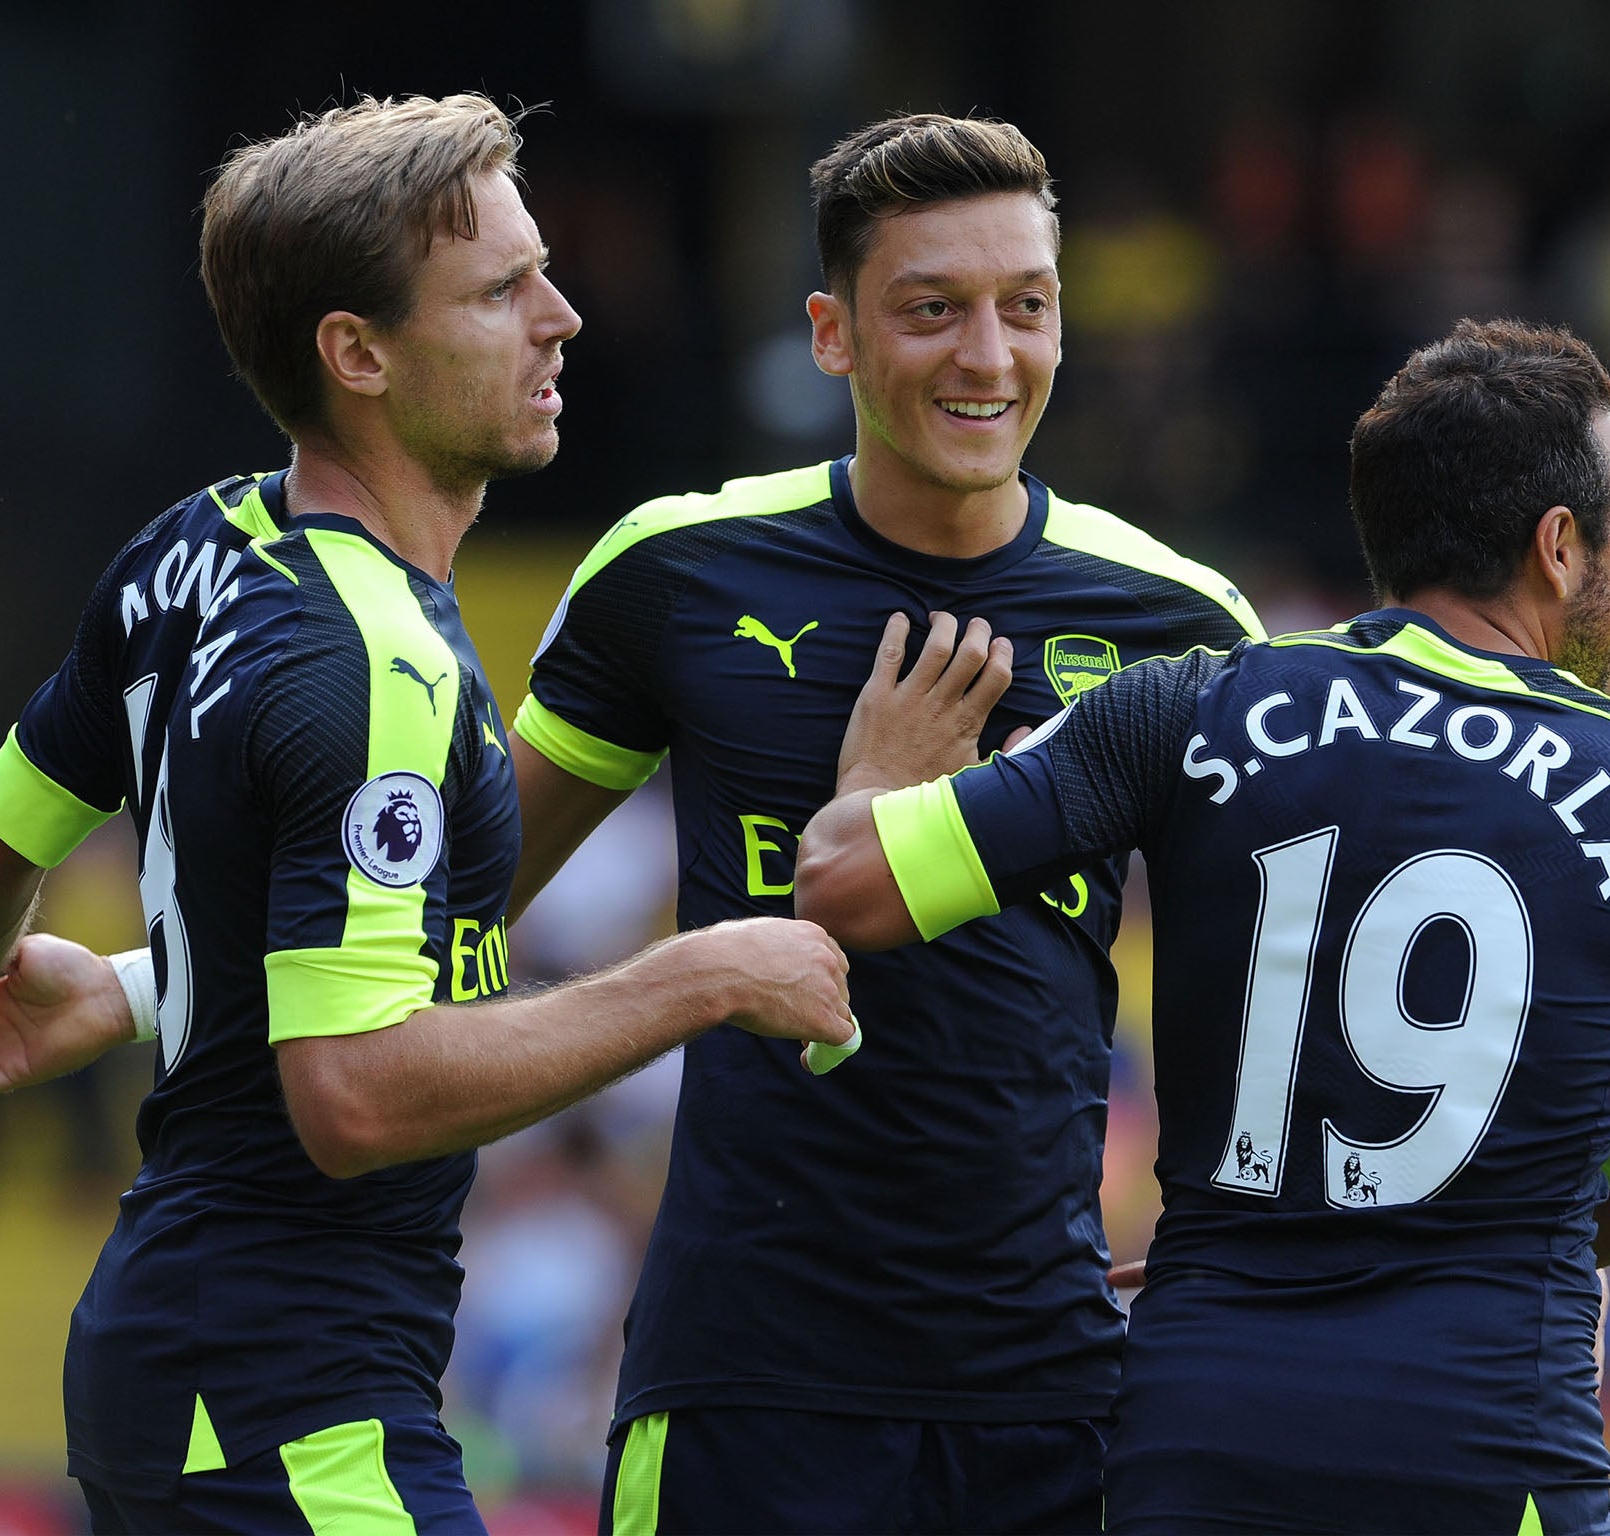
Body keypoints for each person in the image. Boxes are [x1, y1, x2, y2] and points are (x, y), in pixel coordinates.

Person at [0, 93, 856, 1535]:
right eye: (505, 290)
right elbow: (356, 1096)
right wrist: (703, 973)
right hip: (289, 1394)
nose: (564, 316)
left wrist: (83, 986)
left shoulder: (190, 549)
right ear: (360, 355)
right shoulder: (376, 663)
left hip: (196, 1357)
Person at [796, 317, 1610, 1535]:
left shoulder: (1188, 705)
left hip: (1203, 1436)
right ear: (1556, 549)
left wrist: (874, 774)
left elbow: (845, 889)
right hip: (1487, 1449)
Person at [504, 113, 1262, 1534]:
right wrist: (139, 988)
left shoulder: (1181, 625)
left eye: (1024, 307)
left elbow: (1273, 989)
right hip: (743, 1387)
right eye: (931, 311)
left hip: (1056, 1396)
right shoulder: (677, 572)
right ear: (832, 335)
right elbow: (451, 906)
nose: (988, 356)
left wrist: (1239, 1244)